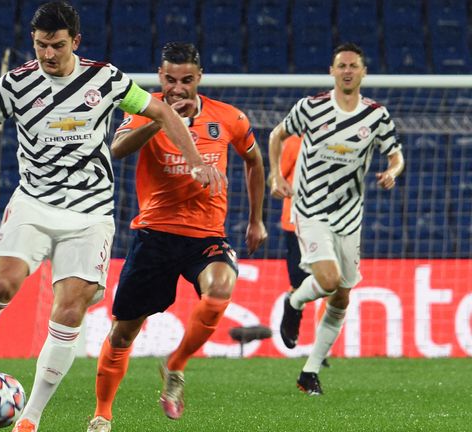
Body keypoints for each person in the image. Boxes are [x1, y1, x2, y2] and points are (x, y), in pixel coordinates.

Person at [0, 3, 222, 431]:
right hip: (34, 204)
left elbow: (162, 112)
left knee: (70, 310)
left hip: (90, 212)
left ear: (75, 42)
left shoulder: (106, 78)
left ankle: (30, 418)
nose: (48, 54)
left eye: (57, 45)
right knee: (2, 283)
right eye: (41, 45)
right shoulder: (15, 84)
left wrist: (194, 161)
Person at [88, 42, 267, 432]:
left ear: (199, 78)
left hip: (206, 237)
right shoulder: (144, 107)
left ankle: (176, 365)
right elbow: (116, 149)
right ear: (160, 76)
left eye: (186, 80)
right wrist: (161, 118)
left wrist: (257, 220)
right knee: (123, 333)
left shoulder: (229, 118)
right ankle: (102, 413)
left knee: (220, 289)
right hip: (155, 235)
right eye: (170, 80)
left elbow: (254, 161)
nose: (178, 88)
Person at [268, 42, 404, 396]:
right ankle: (294, 302)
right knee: (328, 280)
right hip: (310, 208)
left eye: (353, 65)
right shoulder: (311, 107)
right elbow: (276, 135)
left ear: (363, 72)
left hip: (350, 215)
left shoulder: (376, 115)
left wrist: (393, 171)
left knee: (342, 297)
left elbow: (396, 155)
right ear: (332, 71)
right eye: (341, 65)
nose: (347, 70)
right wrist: (275, 175)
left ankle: (309, 371)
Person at [277, 134, 330, 369]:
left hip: (329, 224)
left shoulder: (340, 143)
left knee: (333, 284)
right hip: (296, 223)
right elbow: (278, 177)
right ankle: (292, 309)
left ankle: (322, 345)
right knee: (300, 285)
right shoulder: (294, 143)